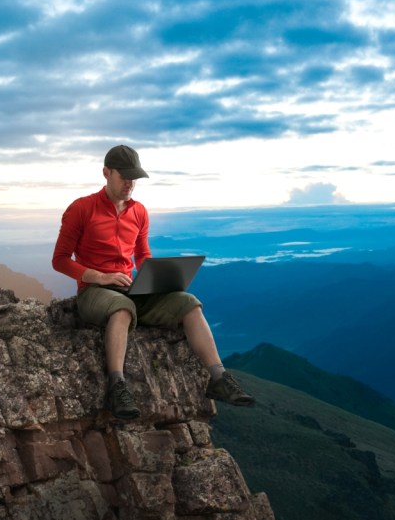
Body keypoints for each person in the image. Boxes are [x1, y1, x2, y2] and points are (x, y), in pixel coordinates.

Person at [52, 145, 254, 420]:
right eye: (124, 176)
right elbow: (60, 260)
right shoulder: (81, 209)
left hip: (132, 289)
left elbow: (142, 255)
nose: (130, 183)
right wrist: (99, 276)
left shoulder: (139, 212)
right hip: (95, 292)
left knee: (189, 303)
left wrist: (158, 277)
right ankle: (117, 386)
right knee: (122, 309)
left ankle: (219, 377)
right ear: (106, 173)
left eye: (134, 178)